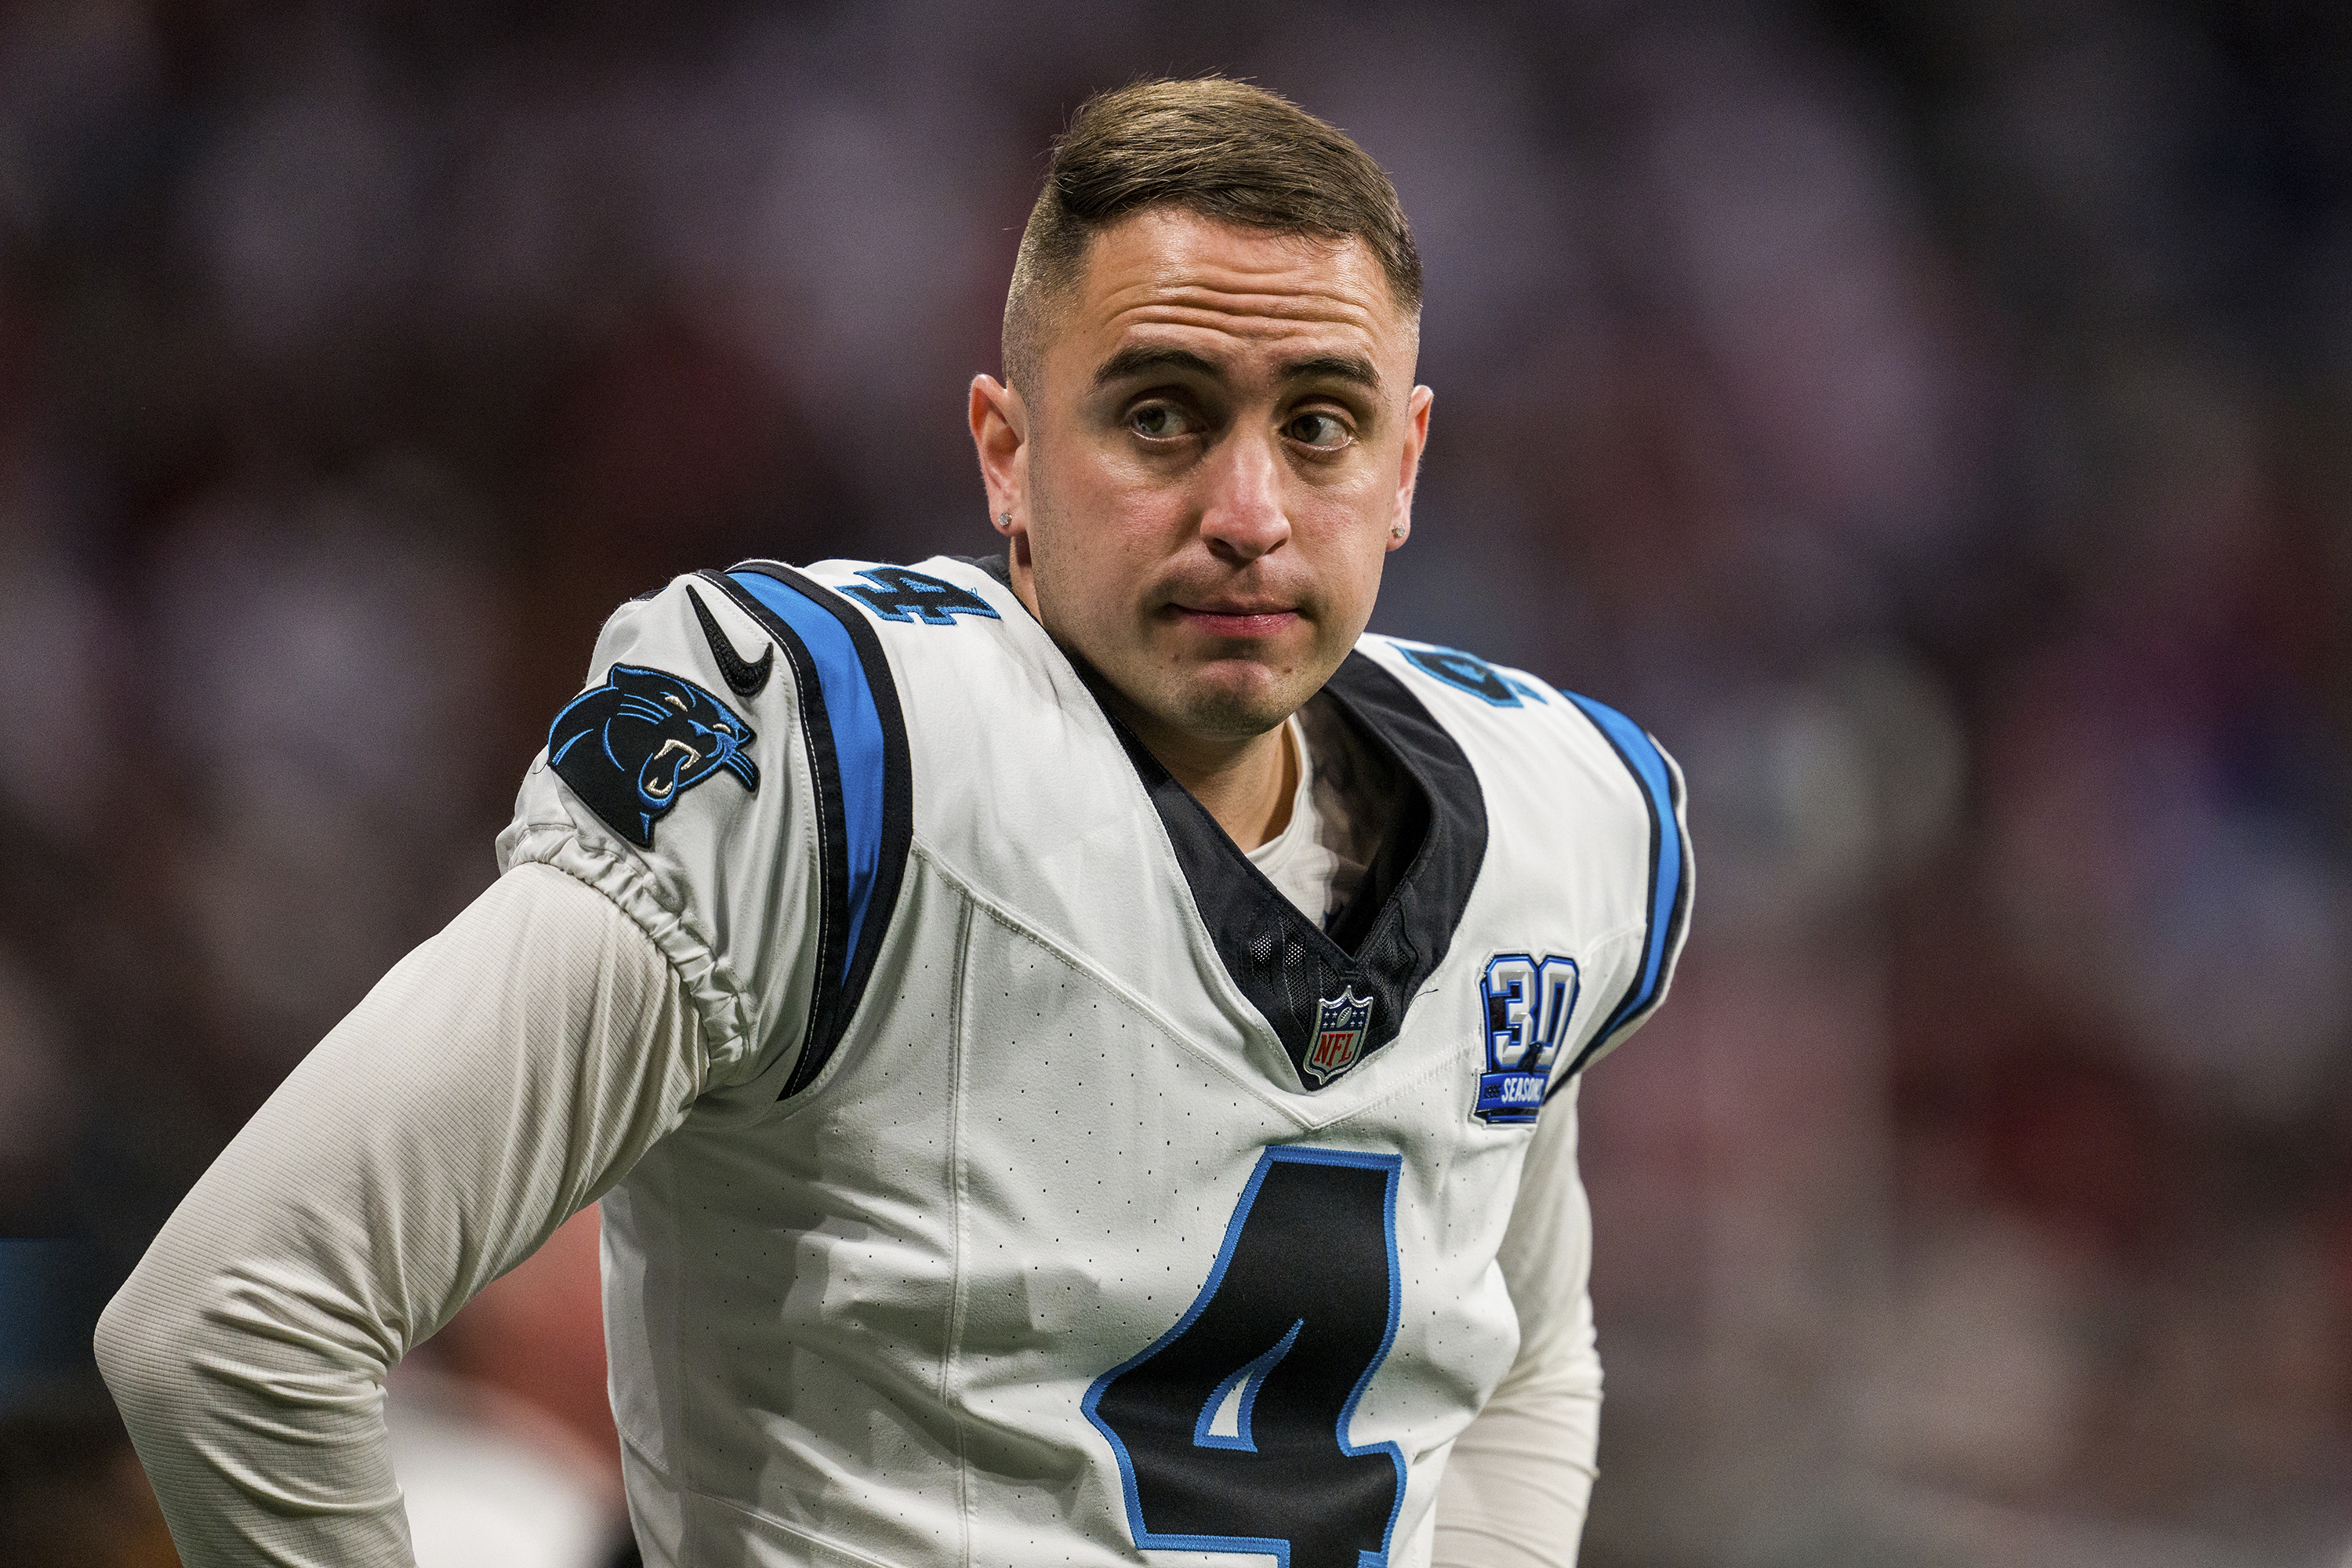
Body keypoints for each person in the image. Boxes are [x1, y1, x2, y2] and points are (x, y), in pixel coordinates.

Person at [95, 78, 1691, 1568]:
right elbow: (234, 1321)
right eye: (1161, 415)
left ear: (1406, 465)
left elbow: (1518, 1351)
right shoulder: (834, 770)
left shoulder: (1551, 815)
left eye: (1322, 425)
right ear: (1004, 452)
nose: (1251, 512)